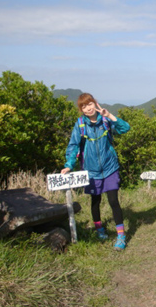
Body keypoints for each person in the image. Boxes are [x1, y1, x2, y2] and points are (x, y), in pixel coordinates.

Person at [61, 93, 131, 251]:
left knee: (113, 200)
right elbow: (73, 147)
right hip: (91, 171)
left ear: (95, 103)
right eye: (83, 106)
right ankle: (100, 230)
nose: (87, 108)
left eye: (89, 104)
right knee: (95, 201)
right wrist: (69, 165)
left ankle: (121, 236)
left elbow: (125, 128)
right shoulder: (80, 124)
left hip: (110, 167)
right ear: (81, 109)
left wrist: (110, 115)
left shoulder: (105, 120)